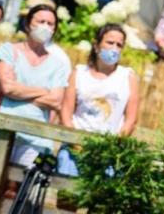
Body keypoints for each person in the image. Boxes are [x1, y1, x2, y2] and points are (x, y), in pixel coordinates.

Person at [0, 4, 70, 196]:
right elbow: (7, 87)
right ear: (28, 25)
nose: (45, 26)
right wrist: (42, 90)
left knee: (14, 190)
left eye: (50, 24)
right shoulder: (9, 50)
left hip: (35, 135)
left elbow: (56, 101)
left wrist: (19, 93)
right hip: (0, 126)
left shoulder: (58, 64)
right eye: (40, 21)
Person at [58, 24, 139, 175]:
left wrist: (112, 146)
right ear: (96, 45)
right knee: (67, 196)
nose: (114, 48)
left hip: (108, 152)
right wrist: (75, 143)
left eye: (119, 45)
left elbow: (131, 119)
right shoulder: (79, 73)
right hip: (75, 147)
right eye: (110, 43)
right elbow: (66, 111)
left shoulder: (127, 76)